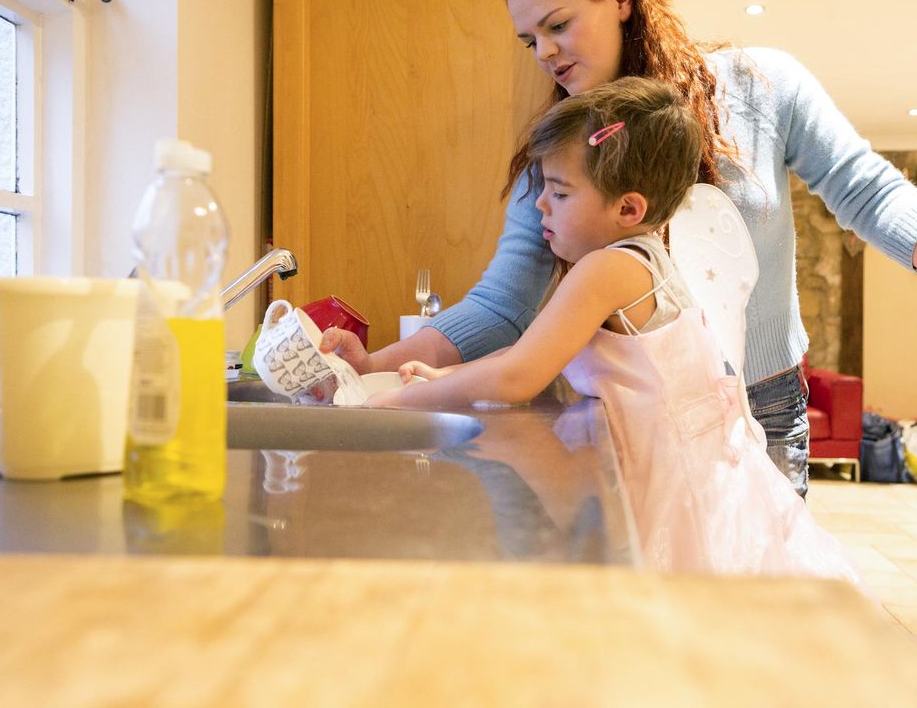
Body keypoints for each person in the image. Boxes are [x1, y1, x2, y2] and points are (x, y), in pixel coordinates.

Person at [322, 0, 917, 498]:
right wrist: (375, 367)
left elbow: (864, 187)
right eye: (528, 40)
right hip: (626, 422)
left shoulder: (761, 86)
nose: (544, 53)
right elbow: (501, 306)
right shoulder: (558, 160)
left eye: (557, 24)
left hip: (763, 407)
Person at [367, 76, 859, 580]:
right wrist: (442, 380)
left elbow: (519, 375)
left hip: (664, 477)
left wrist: (401, 402)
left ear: (628, 208)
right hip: (686, 466)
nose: (540, 205)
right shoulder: (644, 259)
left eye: (558, 192)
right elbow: (530, 351)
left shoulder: (605, 271)